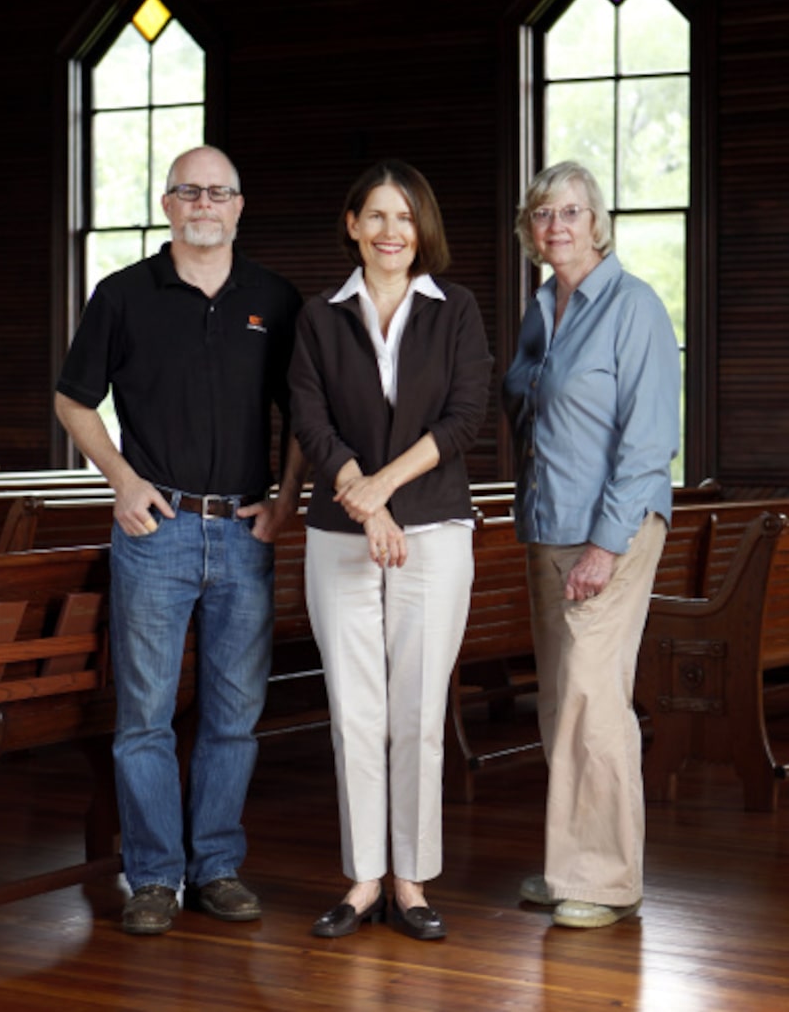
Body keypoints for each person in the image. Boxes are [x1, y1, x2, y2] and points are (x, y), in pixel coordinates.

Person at [55, 145, 305, 936]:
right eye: (189, 191)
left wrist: (287, 500)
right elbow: (73, 401)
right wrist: (123, 481)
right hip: (155, 534)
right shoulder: (123, 295)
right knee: (144, 719)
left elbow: (304, 415)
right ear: (167, 204)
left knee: (235, 713)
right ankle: (155, 876)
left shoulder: (276, 298)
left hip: (243, 532)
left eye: (219, 192)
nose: (204, 203)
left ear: (239, 205)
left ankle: (218, 867)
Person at [289, 159, 492, 941]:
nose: (390, 231)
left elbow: (465, 418)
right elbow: (310, 420)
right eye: (375, 216)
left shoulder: (457, 310)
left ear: (422, 228)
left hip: (436, 529)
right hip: (339, 534)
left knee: (415, 709)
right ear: (352, 225)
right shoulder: (318, 318)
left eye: (403, 217)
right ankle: (364, 876)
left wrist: (383, 491)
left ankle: (411, 879)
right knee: (354, 710)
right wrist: (358, 495)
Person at [502, 160, 680, 929]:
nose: (557, 226)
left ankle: (606, 877)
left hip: (612, 530)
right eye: (543, 213)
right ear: (529, 229)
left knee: (593, 697)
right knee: (560, 700)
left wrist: (606, 546)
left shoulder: (634, 306)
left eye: (571, 211)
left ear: (597, 220)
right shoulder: (543, 309)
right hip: (549, 527)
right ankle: (569, 857)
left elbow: (648, 442)